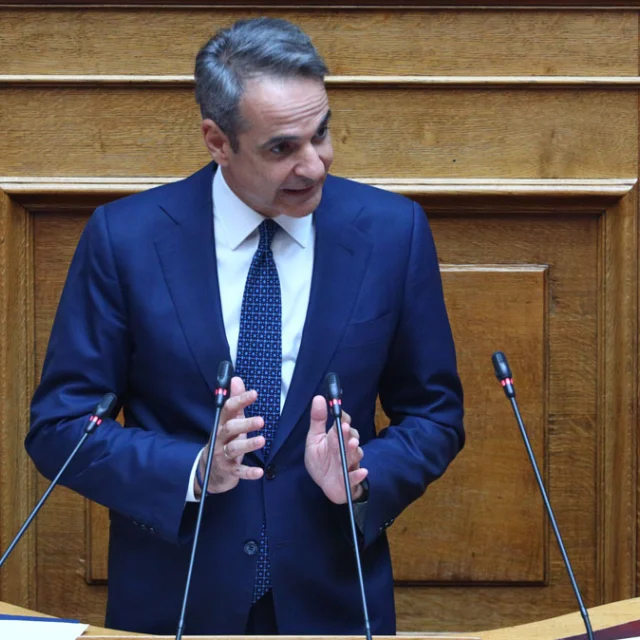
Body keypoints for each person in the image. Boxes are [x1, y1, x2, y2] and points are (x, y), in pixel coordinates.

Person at [26, 17, 464, 636]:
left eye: (321, 134)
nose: (313, 166)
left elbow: (435, 415)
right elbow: (61, 427)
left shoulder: (392, 232)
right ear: (218, 140)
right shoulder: (126, 239)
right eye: (282, 148)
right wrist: (195, 470)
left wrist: (362, 478)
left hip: (333, 605)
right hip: (178, 602)